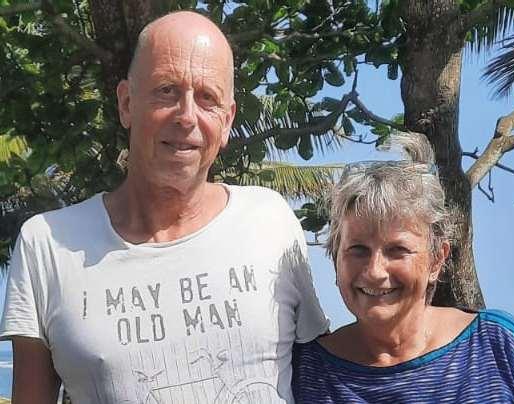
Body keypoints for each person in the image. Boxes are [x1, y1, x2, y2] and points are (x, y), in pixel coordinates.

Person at [0, 11, 328, 404]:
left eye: (207, 98)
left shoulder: (270, 220)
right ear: (126, 103)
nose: (187, 116)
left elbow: (323, 376)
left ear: (227, 121)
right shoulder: (48, 244)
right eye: (166, 90)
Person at [292, 132, 514, 403]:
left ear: (437, 260)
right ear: (335, 257)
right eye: (358, 250)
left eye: (397, 250)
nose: (375, 271)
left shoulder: (495, 346)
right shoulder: (308, 371)